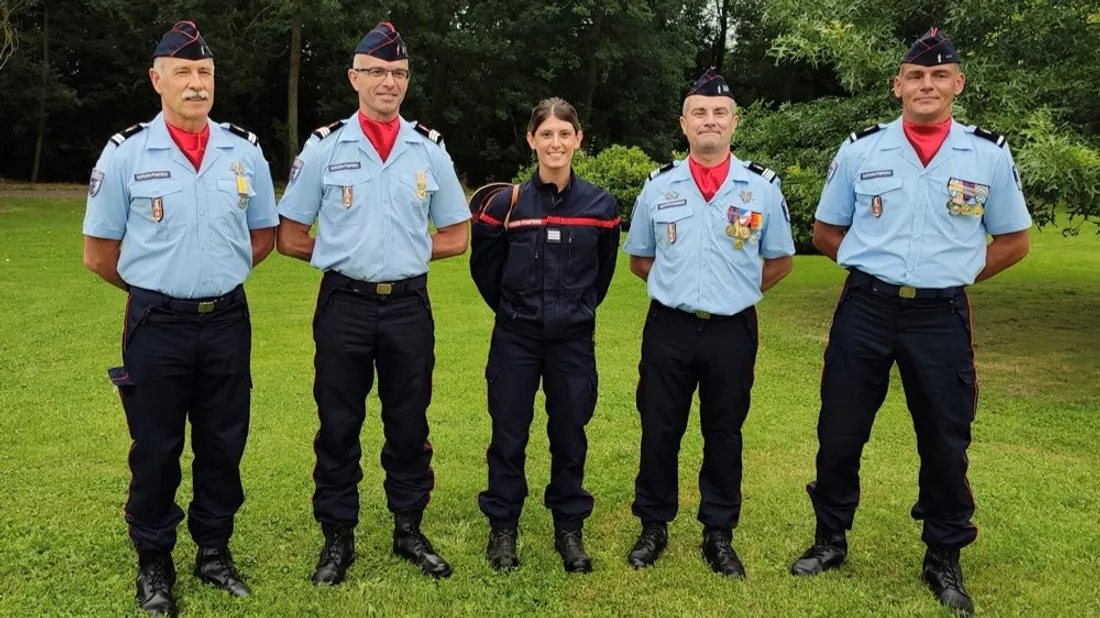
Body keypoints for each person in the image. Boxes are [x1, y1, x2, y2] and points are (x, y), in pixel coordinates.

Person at [788, 28, 1032, 616]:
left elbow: (1015, 240)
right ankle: (830, 540)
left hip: (940, 315)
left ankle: (943, 556)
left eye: (939, 75)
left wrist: (956, 272)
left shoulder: (988, 155)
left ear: (957, 85)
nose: (927, 85)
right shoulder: (861, 151)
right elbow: (825, 232)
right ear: (898, 86)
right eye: (916, 76)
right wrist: (872, 268)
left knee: (946, 439)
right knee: (841, 431)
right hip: (867, 309)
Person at [81, 21, 277, 617]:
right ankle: (154, 561)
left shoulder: (244, 150)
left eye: (205, 74)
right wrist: (157, 289)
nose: (196, 85)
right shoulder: (126, 153)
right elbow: (99, 254)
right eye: (184, 73)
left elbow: (263, 237)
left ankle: (213, 552)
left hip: (226, 321)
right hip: (157, 325)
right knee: (157, 447)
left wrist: (210, 278)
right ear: (157, 79)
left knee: (223, 443)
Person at [275, 21, 470, 583]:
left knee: (409, 422)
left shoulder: (427, 150)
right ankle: (338, 538)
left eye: (399, 73)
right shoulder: (324, 147)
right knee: (338, 423)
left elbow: (456, 235)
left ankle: (408, 530)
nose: (389, 82)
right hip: (345, 303)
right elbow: (289, 235)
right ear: (353, 77)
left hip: (409, 303)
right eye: (378, 72)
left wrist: (401, 251)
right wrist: (346, 251)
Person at [621, 68, 795, 578]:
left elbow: (780, 260)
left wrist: (734, 294)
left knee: (724, 432)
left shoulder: (760, 188)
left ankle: (718, 532)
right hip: (669, 327)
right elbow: (639, 259)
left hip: (731, 331)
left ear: (734, 123)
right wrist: (682, 290)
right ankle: (653, 524)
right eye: (699, 112)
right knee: (659, 429)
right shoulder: (659, 187)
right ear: (684, 123)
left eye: (720, 112)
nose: (710, 121)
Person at [468, 98, 620, 573]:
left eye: (564, 134)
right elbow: (485, 271)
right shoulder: (504, 204)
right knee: (509, 435)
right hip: (515, 338)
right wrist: (517, 312)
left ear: (579, 140)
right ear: (531, 140)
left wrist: (574, 311)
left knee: (570, 434)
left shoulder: (601, 205)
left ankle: (568, 529)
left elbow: (603, 275)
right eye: (546, 134)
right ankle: (503, 530)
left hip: (573, 341)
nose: (556, 143)